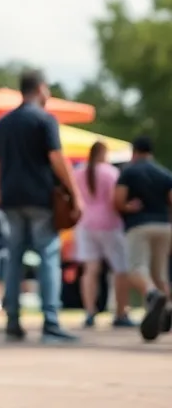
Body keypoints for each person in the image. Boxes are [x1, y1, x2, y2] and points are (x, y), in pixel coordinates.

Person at [0, 69, 80, 343]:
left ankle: (12, 320)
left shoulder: (3, 123)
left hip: (11, 198)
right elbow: (56, 157)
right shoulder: (45, 120)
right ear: (40, 89)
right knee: (48, 256)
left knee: (13, 258)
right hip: (41, 198)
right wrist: (76, 193)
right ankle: (50, 322)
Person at [114, 135, 172, 341]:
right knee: (160, 274)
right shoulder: (164, 173)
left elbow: (118, 200)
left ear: (134, 151)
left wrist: (128, 207)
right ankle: (167, 311)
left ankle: (151, 294)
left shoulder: (128, 172)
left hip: (139, 225)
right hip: (165, 226)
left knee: (136, 269)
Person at [73, 140, 133, 328]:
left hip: (84, 223)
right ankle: (121, 311)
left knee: (90, 270)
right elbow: (116, 200)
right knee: (120, 269)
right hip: (109, 223)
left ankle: (90, 310)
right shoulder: (110, 173)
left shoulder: (78, 172)